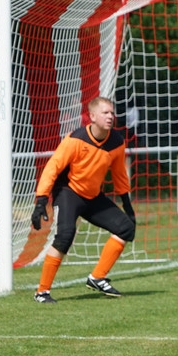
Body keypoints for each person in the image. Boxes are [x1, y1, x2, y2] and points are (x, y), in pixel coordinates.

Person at [31, 96, 136, 303]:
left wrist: (127, 206)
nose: (110, 116)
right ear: (92, 117)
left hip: (93, 196)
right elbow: (52, 168)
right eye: (105, 113)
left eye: (112, 112)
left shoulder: (116, 141)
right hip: (68, 192)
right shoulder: (75, 139)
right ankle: (42, 292)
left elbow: (119, 175)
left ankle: (97, 278)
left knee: (126, 228)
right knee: (65, 236)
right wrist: (41, 200)